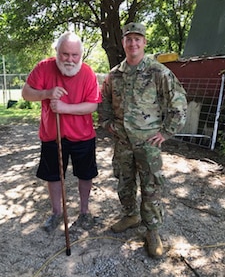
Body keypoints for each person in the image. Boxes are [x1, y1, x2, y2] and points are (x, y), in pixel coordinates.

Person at [100, 22, 187, 258]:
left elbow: (178, 103)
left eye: (137, 39)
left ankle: (152, 230)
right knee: (124, 183)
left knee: (151, 188)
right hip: (123, 143)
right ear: (123, 43)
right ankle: (130, 215)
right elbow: (104, 103)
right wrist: (108, 124)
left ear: (144, 42)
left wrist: (166, 132)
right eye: (129, 39)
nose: (133, 43)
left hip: (148, 144)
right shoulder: (114, 75)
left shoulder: (159, 72)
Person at [22, 31, 102, 233]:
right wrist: (47, 93)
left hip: (83, 136)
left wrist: (65, 108)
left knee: (85, 174)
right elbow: (26, 93)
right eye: (65, 54)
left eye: (74, 55)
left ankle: (84, 212)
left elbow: (92, 106)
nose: (69, 59)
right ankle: (57, 213)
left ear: (80, 55)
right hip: (52, 135)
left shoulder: (88, 73)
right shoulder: (43, 68)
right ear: (57, 51)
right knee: (54, 176)